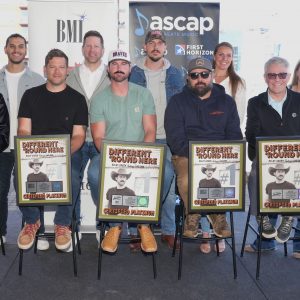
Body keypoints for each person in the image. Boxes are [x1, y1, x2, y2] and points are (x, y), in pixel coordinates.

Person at [165, 57, 242, 251]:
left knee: (231, 179)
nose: (200, 79)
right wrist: (198, 157)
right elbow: (175, 139)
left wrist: (221, 157)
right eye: (194, 75)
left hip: (220, 157)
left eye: (204, 74)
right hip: (186, 155)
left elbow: (234, 136)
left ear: (213, 76)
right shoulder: (176, 102)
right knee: (186, 180)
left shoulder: (227, 102)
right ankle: (198, 212)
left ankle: (206, 212)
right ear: (188, 79)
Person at [17, 49, 88, 251]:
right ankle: (32, 222)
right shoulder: (30, 96)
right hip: (35, 154)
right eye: (52, 67)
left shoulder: (77, 99)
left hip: (67, 153)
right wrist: (34, 153)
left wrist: (60, 157)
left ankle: (62, 225)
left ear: (68, 71)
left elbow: (79, 136)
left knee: (73, 175)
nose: (57, 71)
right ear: (45, 69)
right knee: (19, 174)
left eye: (61, 67)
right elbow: (23, 129)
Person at [88, 49, 157, 253]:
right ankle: (114, 224)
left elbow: (150, 130)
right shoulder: (99, 99)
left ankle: (143, 224)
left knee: (168, 173)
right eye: (115, 64)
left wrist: (139, 158)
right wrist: (114, 159)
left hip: (141, 153)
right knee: (94, 174)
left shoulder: (143, 94)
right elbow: (98, 137)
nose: (119, 68)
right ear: (108, 69)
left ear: (130, 68)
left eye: (123, 64)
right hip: (110, 155)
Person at [130, 30, 184, 249]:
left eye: (159, 43)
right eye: (151, 42)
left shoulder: (176, 73)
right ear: (145, 47)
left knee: (169, 186)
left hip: (168, 138)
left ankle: (169, 231)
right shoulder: (134, 72)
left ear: (165, 48)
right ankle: (138, 230)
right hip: (140, 137)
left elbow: (182, 106)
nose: (155, 46)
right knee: (138, 185)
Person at [245, 56, 300, 256]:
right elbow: (250, 133)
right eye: (272, 75)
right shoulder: (255, 102)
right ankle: (262, 216)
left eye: (282, 75)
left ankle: (289, 215)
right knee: (256, 175)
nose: (277, 79)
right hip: (264, 156)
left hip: (295, 159)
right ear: (265, 77)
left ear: (288, 76)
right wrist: (270, 149)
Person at [0, 33, 45, 248]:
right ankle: (1, 233)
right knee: (0, 190)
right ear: (6, 49)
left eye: (20, 46)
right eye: (12, 46)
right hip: (2, 147)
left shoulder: (38, 80)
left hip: (29, 146)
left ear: (25, 51)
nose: (16, 50)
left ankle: (38, 232)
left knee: (30, 191)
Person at [66, 30, 110, 232]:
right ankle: (71, 226)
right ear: (83, 48)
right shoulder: (69, 75)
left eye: (96, 46)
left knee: (101, 178)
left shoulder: (112, 75)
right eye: (88, 45)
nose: (92, 50)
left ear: (102, 49)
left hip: (104, 140)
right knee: (71, 177)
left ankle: (105, 225)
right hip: (77, 139)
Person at [213, 42, 246, 126]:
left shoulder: (239, 82)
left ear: (232, 59)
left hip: (226, 135)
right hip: (203, 134)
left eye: (228, 55)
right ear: (214, 56)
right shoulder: (204, 78)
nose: (225, 58)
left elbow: (239, 115)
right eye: (221, 54)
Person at [198, 164, 224, 253]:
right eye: (207, 170)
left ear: (213, 171)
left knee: (223, 208)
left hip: (215, 203)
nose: (209, 171)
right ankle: (205, 233)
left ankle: (220, 234)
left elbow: (220, 194)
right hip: (205, 203)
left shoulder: (217, 181)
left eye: (211, 170)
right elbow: (200, 193)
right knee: (203, 209)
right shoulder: (201, 181)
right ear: (205, 171)